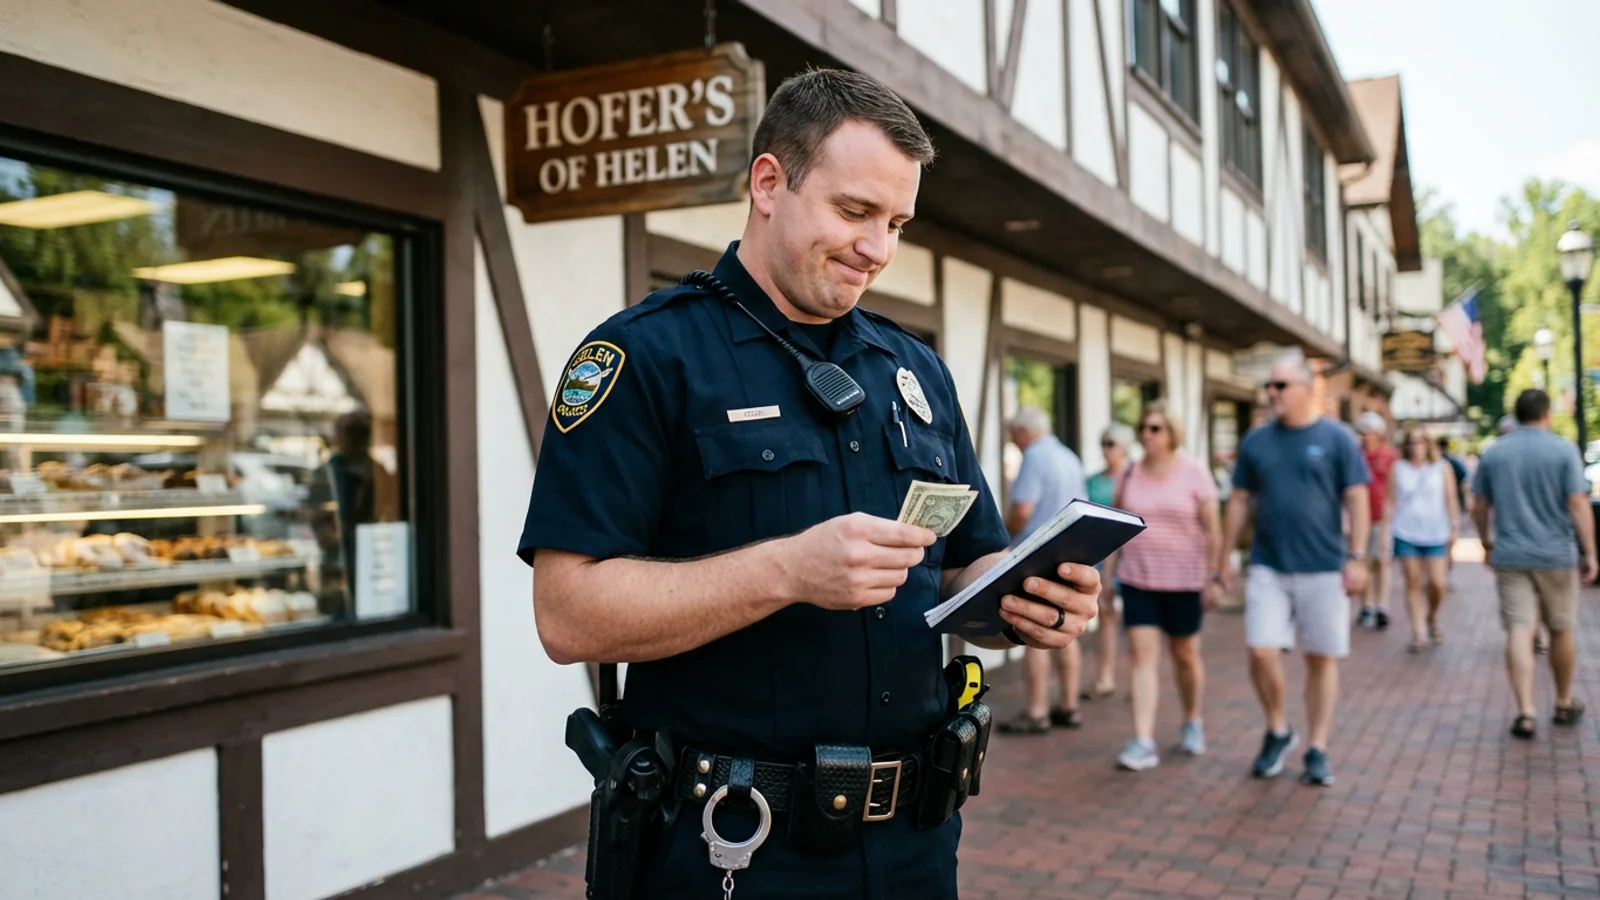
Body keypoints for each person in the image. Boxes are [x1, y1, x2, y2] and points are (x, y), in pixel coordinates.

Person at [515, 68, 1101, 899]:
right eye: (855, 212)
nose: (879, 248)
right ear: (768, 183)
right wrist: (786, 572)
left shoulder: (916, 370)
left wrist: (1023, 599)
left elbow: (965, 565)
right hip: (734, 848)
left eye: (897, 221)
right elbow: (567, 615)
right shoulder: (646, 357)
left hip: (917, 842)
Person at [1218, 350, 1370, 787]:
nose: (1272, 392)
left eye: (1281, 385)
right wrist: (1225, 557)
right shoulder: (1256, 441)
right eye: (1269, 385)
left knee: (1321, 659)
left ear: (1307, 389)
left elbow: (1357, 497)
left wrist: (1357, 558)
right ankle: (1278, 729)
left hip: (1324, 567)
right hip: (1268, 565)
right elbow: (1241, 500)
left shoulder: (1338, 438)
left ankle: (1317, 747)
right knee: (1261, 651)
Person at [1470, 389, 1595, 740]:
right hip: (1556, 554)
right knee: (1560, 628)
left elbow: (1478, 506)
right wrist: (1591, 552)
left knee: (1518, 629)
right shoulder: (1562, 449)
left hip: (1510, 554)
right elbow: (1577, 503)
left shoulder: (1495, 452)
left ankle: (1525, 710)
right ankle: (1563, 700)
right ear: (1546, 413)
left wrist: (1486, 542)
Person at [1104, 402, 1221, 770]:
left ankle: (1192, 719)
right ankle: (1142, 740)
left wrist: (1213, 577)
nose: (1147, 435)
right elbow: (1116, 526)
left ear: (1172, 433)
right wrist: (1108, 576)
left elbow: (1212, 530)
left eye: (1156, 428)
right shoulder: (1129, 475)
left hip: (1185, 580)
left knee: (1185, 655)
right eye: (1144, 427)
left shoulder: (1195, 473)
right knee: (1140, 655)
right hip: (1139, 578)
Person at [998, 406, 1089, 734]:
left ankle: (1036, 711)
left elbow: (1022, 510)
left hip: (1035, 556)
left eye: (1013, 435)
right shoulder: (1068, 455)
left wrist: (1001, 538)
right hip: (1069, 555)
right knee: (1065, 631)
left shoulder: (1035, 457)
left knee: (1032, 630)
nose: (1013, 441)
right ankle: (1069, 705)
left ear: (1023, 432)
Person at [1389, 426, 1460, 652]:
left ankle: (1431, 617)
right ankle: (1418, 632)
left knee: (1437, 583)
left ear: (1427, 444)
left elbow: (1450, 498)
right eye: (1412, 441)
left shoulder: (1441, 468)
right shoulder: (1398, 468)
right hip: (1406, 531)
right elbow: (1391, 501)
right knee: (1412, 581)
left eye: (1420, 441)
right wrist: (1385, 532)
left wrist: (1454, 526)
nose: (1416, 446)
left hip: (1435, 532)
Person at [1083, 422, 1134, 700]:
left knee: (1137, 622)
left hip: (1131, 557)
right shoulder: (1093, 480)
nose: (1106, 450)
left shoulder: (1134, 477)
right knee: (1106, 616)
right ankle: (1106, 676)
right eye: (1103, 443)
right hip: (1101, 556)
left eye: (1111, 443)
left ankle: (1135, 676)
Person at [1354, 411, 1397, 631]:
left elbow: (1394, 489)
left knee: (1382, 561)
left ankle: (1382, 606)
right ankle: (1367, 605)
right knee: (1364, 562)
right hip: (1360, 517)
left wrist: (1391, 518)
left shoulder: (1389, 456)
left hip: (1382, 517)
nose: (1364, 437)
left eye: (1367, 433)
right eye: (1361, 433)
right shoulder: (1355, 455)